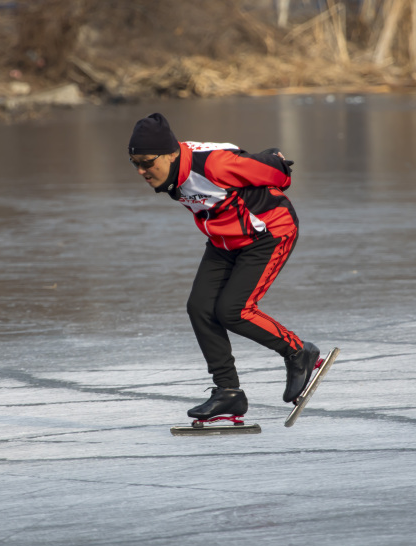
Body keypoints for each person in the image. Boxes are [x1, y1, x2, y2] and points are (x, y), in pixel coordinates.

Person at [127, 112, 319, 421]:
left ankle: (298, 352)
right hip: (224, 240)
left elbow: (280, 175)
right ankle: (228, 392)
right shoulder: (169, 172)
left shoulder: (214, 164)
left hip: (268, 233)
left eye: (147, 162)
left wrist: (274, 162)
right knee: (200, 308)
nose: (141, 171)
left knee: (234, 310)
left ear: (171, 153)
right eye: (135, 163)